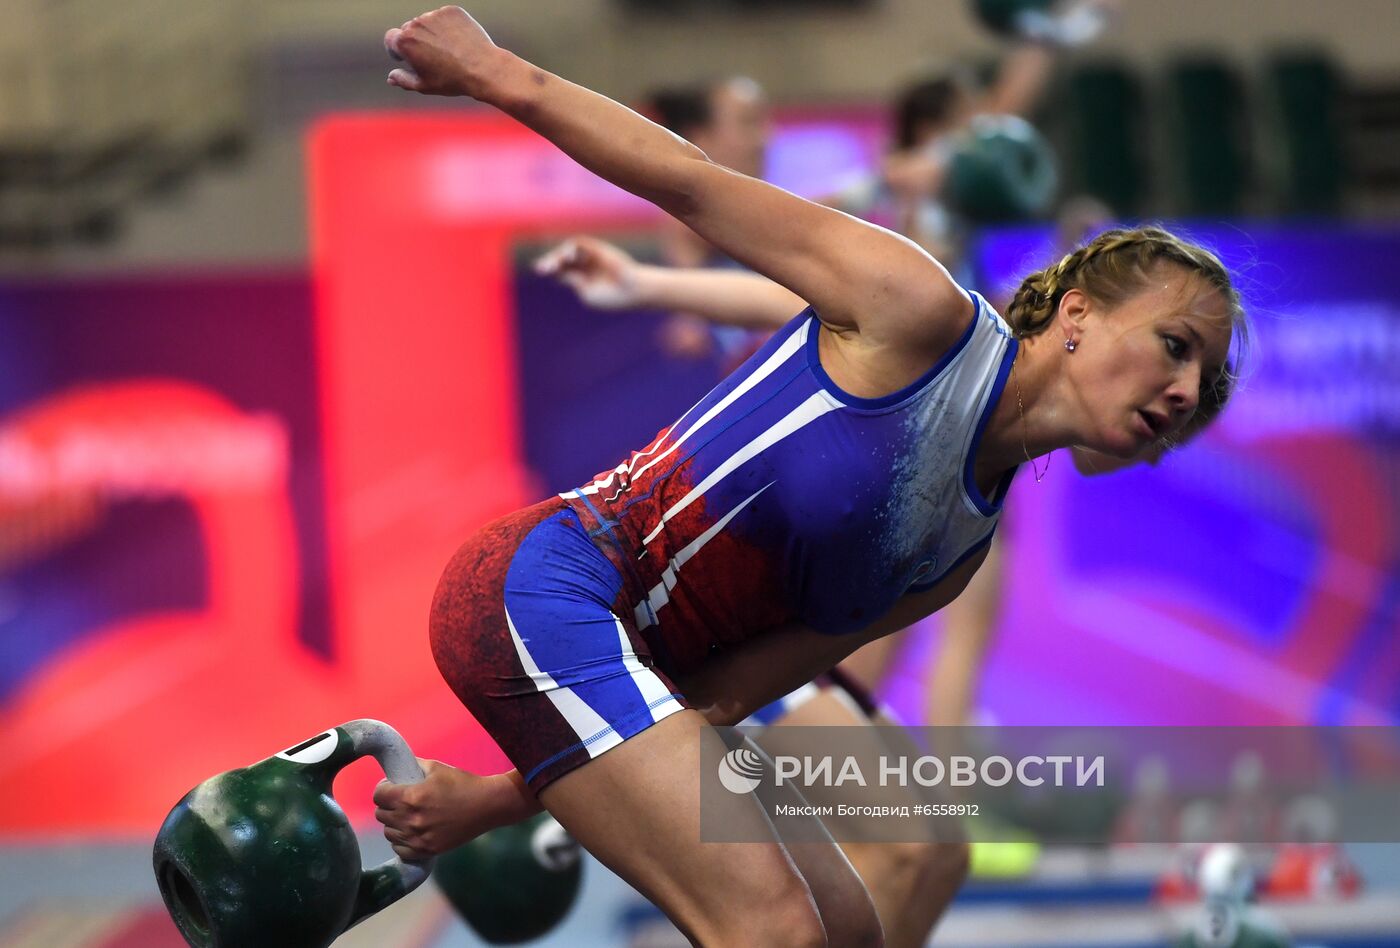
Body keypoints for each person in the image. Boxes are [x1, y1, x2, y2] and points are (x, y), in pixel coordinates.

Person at [372, 9, 1244, 946]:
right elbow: (692, 183)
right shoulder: (918, 309)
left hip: (630, 664)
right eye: (1175, 346)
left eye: (1205, 384)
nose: (1186, 390)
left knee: (854, 928)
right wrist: (499, 73)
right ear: (1076, 312)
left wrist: (503, 798)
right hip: (543, 587)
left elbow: (722, 695)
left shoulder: (960, 546)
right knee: (782, 928)